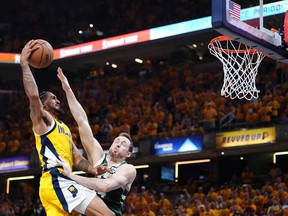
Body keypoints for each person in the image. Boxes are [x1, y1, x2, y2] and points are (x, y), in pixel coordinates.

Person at [20, 40, 114, 216]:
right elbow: (33, 96)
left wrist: (93, 170)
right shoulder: (43, 121)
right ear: (43, 103)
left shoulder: (64, 128)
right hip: (57, 180)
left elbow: (77, 158)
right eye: (53, 98)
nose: (58, 100)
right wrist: (25, 65)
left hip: (53, 186)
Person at [56, 67, 137, 216]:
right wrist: (68, 90)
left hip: (108, 213)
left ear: (128, 154)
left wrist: (71, 176)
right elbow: (82, 121)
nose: (118, 143)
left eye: (123, 144)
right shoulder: (97, 156)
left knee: (68, 183)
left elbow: (106, 186)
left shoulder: (128, 169)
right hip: (89, 210)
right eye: (117, 140)